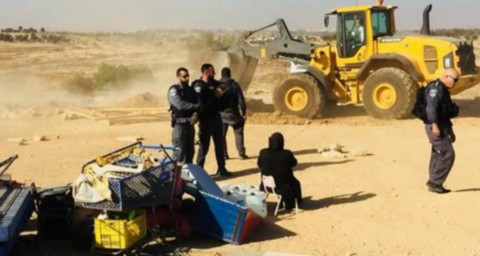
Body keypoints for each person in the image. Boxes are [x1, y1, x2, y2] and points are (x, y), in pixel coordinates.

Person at [192, 63, 232, 177]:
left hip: (216, 118)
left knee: (219, 145)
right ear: (205, 73)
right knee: (204, 146)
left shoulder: (214, 84)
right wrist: (214, 96)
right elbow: (201, 104)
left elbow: (224, 86)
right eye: (212, 72)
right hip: (205, 120)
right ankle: (199, 171)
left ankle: (222, 168)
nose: (214, 74)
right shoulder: (198, 86)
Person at [424, 68, 460, 194]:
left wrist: (450, 131)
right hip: (435, 126)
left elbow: (445, 114)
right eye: (454, 80)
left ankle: (434, 181)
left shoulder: (444, 91)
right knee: (447, 153)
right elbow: (431, 109)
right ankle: (435, 182)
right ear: (446, 76)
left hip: (442, 126)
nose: (456, 83)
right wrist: (434, 125)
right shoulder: (435, 89)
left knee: (438, 153)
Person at [258, 132, 302, 210]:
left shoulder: (263, 152)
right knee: (295, 183)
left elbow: (259, 164)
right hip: (282, 187)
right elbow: (294, 163)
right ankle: (292, 203)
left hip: (266, 186)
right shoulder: (286, 154)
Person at [168, 67, 200, 164]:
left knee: (190, 154)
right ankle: (176, 178)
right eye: (184, 76)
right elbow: (180, 105)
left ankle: (187, 177)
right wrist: (195, 106)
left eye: (187, 76)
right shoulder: (174, 90)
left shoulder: (191, 91)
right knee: (178, 156)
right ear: (178, 77)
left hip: (190, 125)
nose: (186, 78)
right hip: (179, 126)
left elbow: (199, 105)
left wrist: (196, 115)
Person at [218, 67, 248, 160]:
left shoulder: (217, 85)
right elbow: (241, 100)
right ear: (230, 74)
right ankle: (241, 153)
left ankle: (224, 154)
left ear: (222, 75)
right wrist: (243, 111)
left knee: (221, 135)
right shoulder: (234, 85)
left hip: (221, 114)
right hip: (233, 113)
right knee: (239, 132)